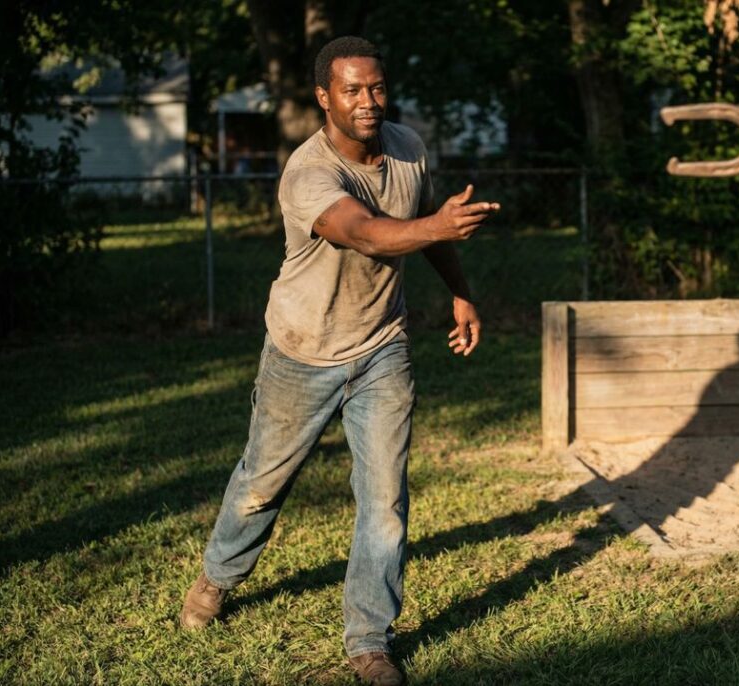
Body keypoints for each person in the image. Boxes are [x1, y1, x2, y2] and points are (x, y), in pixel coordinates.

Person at [179, 36, 499, 686]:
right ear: (324, 96)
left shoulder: (408, 147)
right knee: (262, 484)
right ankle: (218, 576)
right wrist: (437, 226)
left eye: (376, 87)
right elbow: (365, 232)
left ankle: (369, 641)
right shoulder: (308, 173)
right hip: (302, 352)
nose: (368, 102)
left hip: (382, 346)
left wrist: (461, 293)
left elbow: (419, 223)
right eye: (352, 90)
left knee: (384, 499)